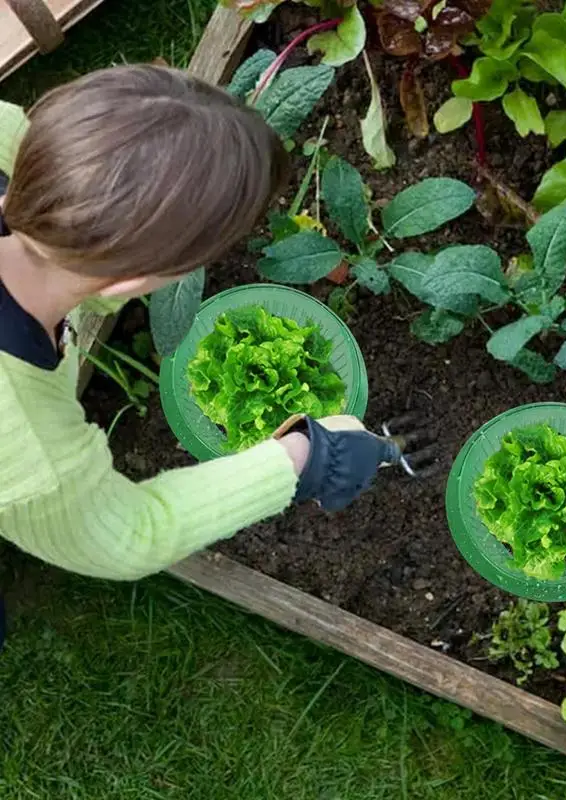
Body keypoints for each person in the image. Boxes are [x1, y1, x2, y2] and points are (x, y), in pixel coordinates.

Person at [0, 66, 399, 647]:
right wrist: (301, 457)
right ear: (129, 282)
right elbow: (130, 534)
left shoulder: (13, 139)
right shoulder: (27, 445)